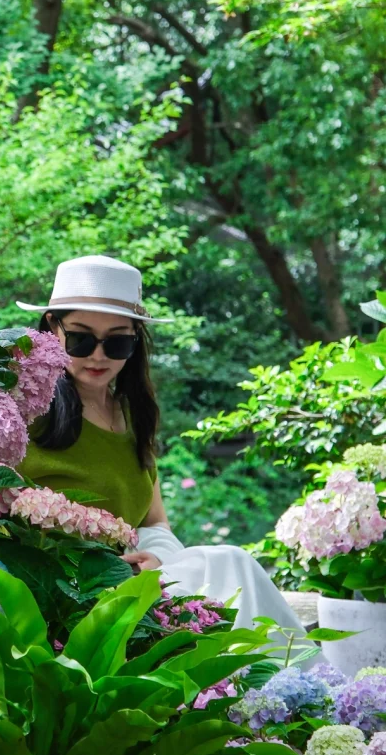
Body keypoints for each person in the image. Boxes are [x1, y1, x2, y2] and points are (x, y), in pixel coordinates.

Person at [16, 254, 304, 635]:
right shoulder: (23, 413)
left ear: (135, 341)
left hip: (134, 580)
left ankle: (301, 672)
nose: (98, 355)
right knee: (231, 569)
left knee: (233, 565)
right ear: (53, 327)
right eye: (81, 339)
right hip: (62, 595)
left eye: (116, 342)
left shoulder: (133, 415)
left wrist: (157, 558)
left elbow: (154, 521)